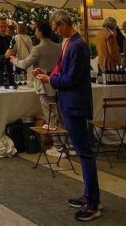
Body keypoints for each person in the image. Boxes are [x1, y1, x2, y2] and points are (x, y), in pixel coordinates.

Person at [33, 11, 100, 221]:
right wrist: (47, 74)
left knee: (84, 153)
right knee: (81, 151)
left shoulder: (78, 45)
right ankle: (88, 195)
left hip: (75, 104)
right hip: (69, 103)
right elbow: (62, 70)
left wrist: (50, 80)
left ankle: (93, 202)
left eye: (56, 28)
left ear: (63, 24)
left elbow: (71, 78)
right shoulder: (68, 43)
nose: (55, 32)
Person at [10, 24, 61, 113]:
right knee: (59, 113)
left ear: (40, 33)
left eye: (36, 31)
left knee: (49, 114)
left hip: (44, 85)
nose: (35, 33)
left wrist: (14, 60)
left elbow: (25, 64)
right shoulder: (58, 47)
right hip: (57, 83)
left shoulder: (38, 49)